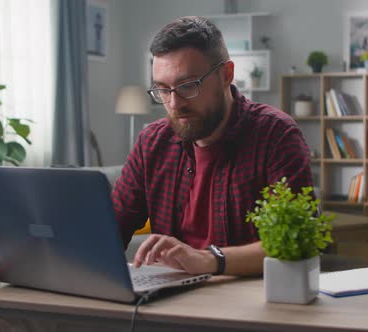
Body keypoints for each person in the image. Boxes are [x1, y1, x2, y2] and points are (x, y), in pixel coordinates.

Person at [111, 16, 313, 277]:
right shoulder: (152, 143)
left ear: (226, 74)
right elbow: (112, 229)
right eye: (163, 89)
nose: (174, 104)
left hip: (247, 302)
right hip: (168, 300)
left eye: (187, 86)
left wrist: (210, 260)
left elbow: (294, 243)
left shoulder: (276, 135)